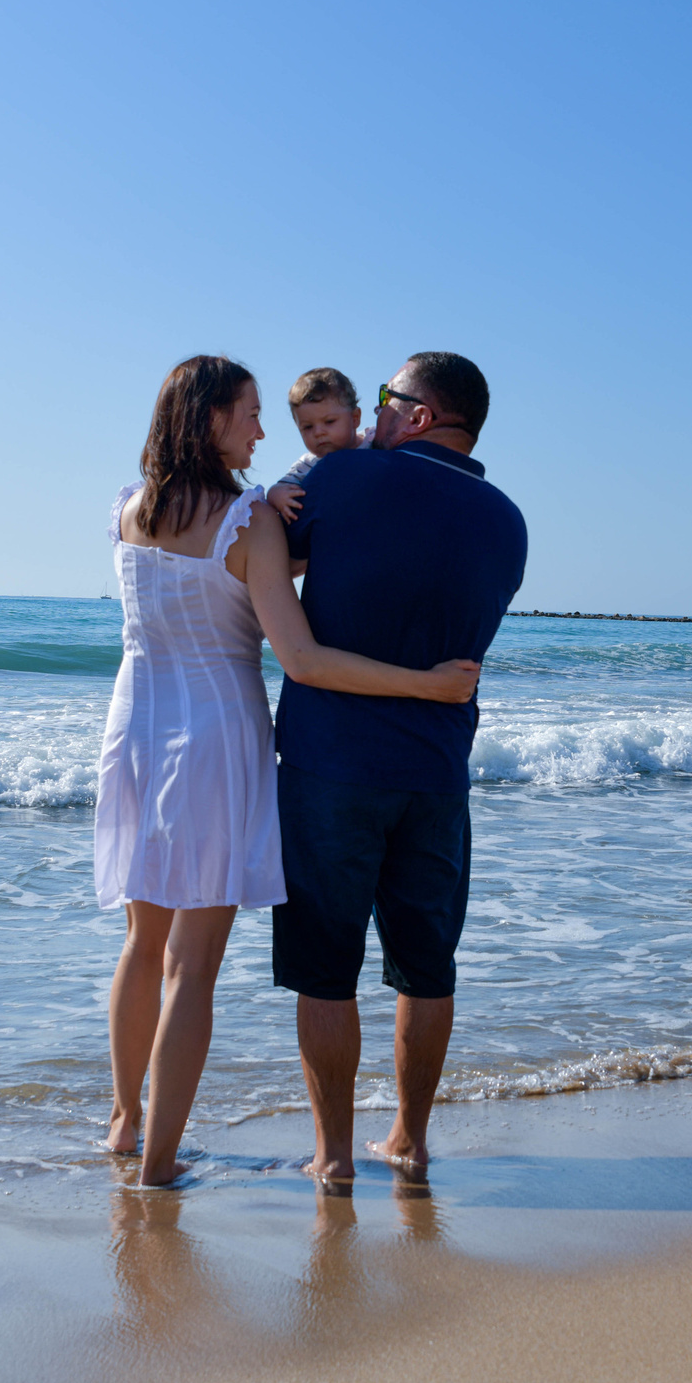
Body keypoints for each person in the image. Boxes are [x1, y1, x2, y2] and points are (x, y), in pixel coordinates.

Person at [96, 354, 480, 1189]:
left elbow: (202, 582)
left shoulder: (128, 510)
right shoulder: (247, 521)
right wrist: (424, 684)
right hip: (212, 738)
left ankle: (124, 1124)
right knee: (192, 965)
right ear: (208, 421)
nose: (264, 432)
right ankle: (159, 1166)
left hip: (134, 729)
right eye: (249, 415)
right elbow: (300, 656)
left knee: (141, 939)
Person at [269, 351, 528, 1188]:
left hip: (330, 763)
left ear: (418, 416)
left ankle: (334, 1156)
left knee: (325, 967)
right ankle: (410, 1141)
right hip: (437, 773)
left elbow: (270, 551)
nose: (370, 414)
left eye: (385, 400)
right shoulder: (510, 520)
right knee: (428, 963)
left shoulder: (342, 479)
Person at [271, 368, 365, 507]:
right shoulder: (308, 464)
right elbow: (277, 489)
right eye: (308, 427)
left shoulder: (375, 441)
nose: (318, 432)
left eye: (329, 422)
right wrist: (277, 496)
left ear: (355, 418)